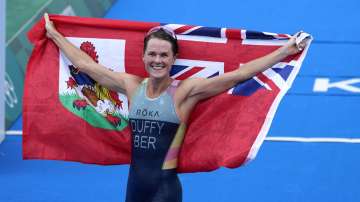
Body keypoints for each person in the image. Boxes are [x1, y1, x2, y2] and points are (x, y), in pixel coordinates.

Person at [44, 13, 308, 202]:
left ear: (173, 58)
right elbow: (88, 66)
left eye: (164, 55)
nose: (157, 60)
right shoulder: (131, 85)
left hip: (164, 192)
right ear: (143, 56)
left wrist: (285, 51)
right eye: (153, 54)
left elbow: (239, 75)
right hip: (133, 189)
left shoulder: (185, 92)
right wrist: (55, 35)